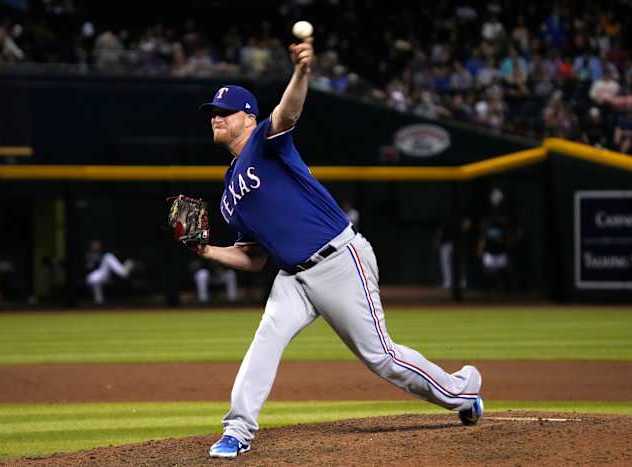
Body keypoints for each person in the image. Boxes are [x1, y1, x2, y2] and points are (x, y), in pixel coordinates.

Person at [185, 36, 483, 459]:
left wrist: (302, 72)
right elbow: (253, 258)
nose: (215, 118)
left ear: (248, 119)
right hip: (292, 278)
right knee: (265, 340)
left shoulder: (266, 143)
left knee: (382, 358)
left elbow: (288, 111)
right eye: (212, 113)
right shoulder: (228, 192)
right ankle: (237, 429)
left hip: (339, 260)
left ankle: (463, 391)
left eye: (224, 112)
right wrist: (207, 252)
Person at [85, 239, 134, 304]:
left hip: (103, 275)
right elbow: (88, 267)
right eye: (94, 245)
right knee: (94, 279)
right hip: (91, 276)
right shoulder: (88, 254)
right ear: (91, 246)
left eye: (97, 245)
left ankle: (99, 300)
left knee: (108, 256)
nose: (96, 246)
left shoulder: (102, 253)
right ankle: (123, 272)